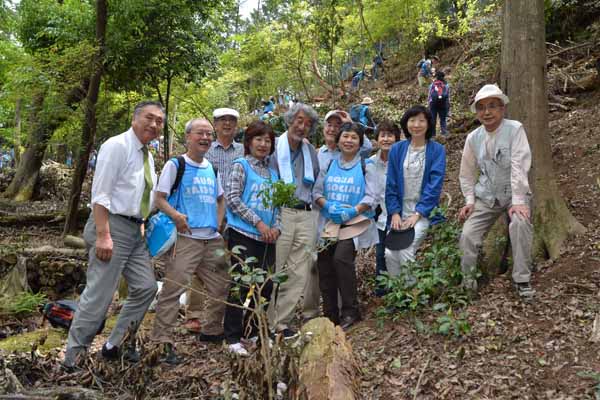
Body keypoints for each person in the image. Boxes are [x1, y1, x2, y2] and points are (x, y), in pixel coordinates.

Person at [63, 101, 163, 370]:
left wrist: (141, 223)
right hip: (111, 226)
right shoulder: (116, 146)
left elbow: (140, 196)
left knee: (146, 287)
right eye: (149, 118)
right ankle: (74, 356)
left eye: (159, 121)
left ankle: (114, 344)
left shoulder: (147, 155)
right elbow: (101, 193)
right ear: (135, 119)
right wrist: (104, 234)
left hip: (134, 230)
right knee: (100, 293)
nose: (154, 125)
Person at [149, 118, 229, 364]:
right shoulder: (177, 165)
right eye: (200, 133)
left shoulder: (211, 168)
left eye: (208, 134)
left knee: (221, 284)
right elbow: (159, 198)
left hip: (211, 239)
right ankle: (162, 342)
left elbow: (220, 199)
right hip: (185, 239)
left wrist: (217, 223)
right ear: (188, 137)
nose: (205, 138)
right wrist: (176, 216)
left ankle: (212, 331)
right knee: (173, 290)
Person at [458, 84, 534, 299]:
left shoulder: (515, 129)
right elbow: (467, 172)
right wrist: (470, 200)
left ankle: (522, 279)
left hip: (513, 194)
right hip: (487, 196)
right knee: (467, 234)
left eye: (492, 106)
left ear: (502, 109)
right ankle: (468, 284)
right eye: (481, 108)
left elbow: (520, 163)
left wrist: (518, 200)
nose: (487, 112)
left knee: (520, 223)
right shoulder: (473, 137)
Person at [313, 122, 379, 329]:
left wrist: (352, 211)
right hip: (329, 221)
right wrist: (327, 206)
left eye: (354, 137)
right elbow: (316, 192)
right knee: (324, 263)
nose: (349, 141)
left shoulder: (365, 165)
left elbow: (372, 196)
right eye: (345, 136)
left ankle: (351, 311)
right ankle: (330, 314)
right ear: (338, 139)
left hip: (354, 222)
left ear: (360, 142)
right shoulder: (329, 164)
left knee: (342, 259)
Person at [223, 121, 280, 356]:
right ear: (248, 142)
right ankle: (232, 336)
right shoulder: (241, 166)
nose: (263, 144)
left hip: (268, 238)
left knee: (265, 286)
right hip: (242, 233)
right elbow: (233, 199)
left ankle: (254, 330)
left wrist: (276, 227)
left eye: (267, 141)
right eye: (259, 139)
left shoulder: (273, 173)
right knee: (241, 284)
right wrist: (258, 223)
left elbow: (278, 205)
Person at [185, 108, 243, 334]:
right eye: (222, 121)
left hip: (239, 216)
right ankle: (195, 315)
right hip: (208, 215)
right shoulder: (206, 149)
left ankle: (225, 313)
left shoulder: (243, 149)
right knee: (200, 266)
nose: (227, 124)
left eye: (232, 121)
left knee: (232, 266)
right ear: (215, 125)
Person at [267, 103, 320, 338]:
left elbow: (317, 179)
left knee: (299, 270)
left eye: (307, 124)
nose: (302, 127)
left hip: (306, 213)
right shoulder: (274, 148)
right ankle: (266, 321)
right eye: (299, 121)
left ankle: (282, 322)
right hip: (282, 212)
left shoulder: (310, 151)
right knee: (276, 268)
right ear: (289, 121)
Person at [385, 106, 446, 277]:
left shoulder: (437, 150)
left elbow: (435, 186)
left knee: (405, 250)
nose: (416, 125)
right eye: (412, 120)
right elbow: (390, 184)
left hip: (422, 212)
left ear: (428, 124)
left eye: (421, 120)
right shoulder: (397, 149)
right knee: (389, 253)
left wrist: (418, 213)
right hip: (400, 212)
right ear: (406, 124)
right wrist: (395, 213)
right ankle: (396, 294)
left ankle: (411, 295)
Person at [370, 121, 401, 294]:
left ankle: (399, 293)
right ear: (377, 139)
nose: (386, 139)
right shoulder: (370, 163)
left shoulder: (402, 162)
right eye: (383, 135)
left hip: (399, 215)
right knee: (380, 255)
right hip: (380, 217)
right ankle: (381, 294)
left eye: (390, 135)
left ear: (396, 139)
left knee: (396, 255)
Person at [428, 71, 450, 136]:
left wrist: (429, 104)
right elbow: (448, 96)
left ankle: (432, 134)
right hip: (442, 104)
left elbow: (429, 95)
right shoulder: (446, 85)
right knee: (443, 119)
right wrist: (448, 106)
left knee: (433, 119)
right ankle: (444, 132)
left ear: (436, 77)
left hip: (433, 104)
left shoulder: (432, 84)